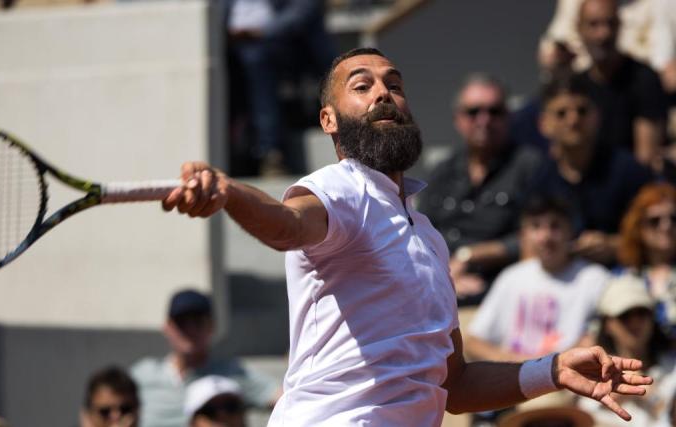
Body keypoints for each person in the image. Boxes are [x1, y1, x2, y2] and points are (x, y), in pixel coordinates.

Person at [161, 47, 654, 426]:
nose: (383, 92)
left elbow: (454, 383)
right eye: (362, 85)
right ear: (329, 121)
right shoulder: (340, 187)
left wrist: (551, 371)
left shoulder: (430, 238)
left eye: (394, 84)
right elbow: (288, 225)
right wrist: (229, 193)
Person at [417, 73, 543, 305]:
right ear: (458, 119)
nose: (483, 120)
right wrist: (444, 273)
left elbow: (537, 236)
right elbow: (419, 232)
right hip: (438, 286)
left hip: (501, 294)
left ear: (508, 116)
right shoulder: (442, 170)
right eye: (473, 112)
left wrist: (470, 256)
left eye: (494, 111)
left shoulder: (531, 166)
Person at [467, 196, 609, 363]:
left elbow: (600, 341)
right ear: (524, 235)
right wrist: (517, 365)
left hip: (566, 380)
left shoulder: (595, 279)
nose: (545, 236)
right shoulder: (512, 277)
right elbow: (472, 342)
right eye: (536, 226)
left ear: (570, 231)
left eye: (555, 226)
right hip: (514, 378)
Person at [531, 72, 652, 265]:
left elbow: (659, 234)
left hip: (620, 274)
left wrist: (613, 245)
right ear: (544, 124)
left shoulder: (628, 170)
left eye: (582, 111)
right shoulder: (538, 177)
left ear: (597, 116)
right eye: (561, 113)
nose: (573, 120)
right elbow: (527, 243)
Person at [129, 289, 279, 427]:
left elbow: (287, 397)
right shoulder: (142, 374)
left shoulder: (231, 374)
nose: (190, 330)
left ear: (212, 326)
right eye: (182, 323)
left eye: (198, 322)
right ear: (167, 328)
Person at [223, 0, 336, 176]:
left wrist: (263, 31)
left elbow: (304, 8)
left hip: (278, 41)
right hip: (227, 44)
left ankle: (271, 153)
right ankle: (237, 152)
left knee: (256, 60)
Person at [574, 0, 668, 169]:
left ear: (619, 26)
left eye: (610, 23)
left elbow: (645, 156)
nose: (603, 34)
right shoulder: (575, 86)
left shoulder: (644, 79)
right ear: (579, 28)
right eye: (594, 24)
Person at [577, 276, 676, 426]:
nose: (635, 322)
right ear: (607, 324)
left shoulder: (673, 366)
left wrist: (653, 397)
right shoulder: (591, 372)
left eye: (641, 313)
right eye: (625, 315)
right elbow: (583, 417)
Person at [617, 182, 676, 337]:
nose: (666, 226)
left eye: (674, 218)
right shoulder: (623, 277)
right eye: (655, 220)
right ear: (639, 228)